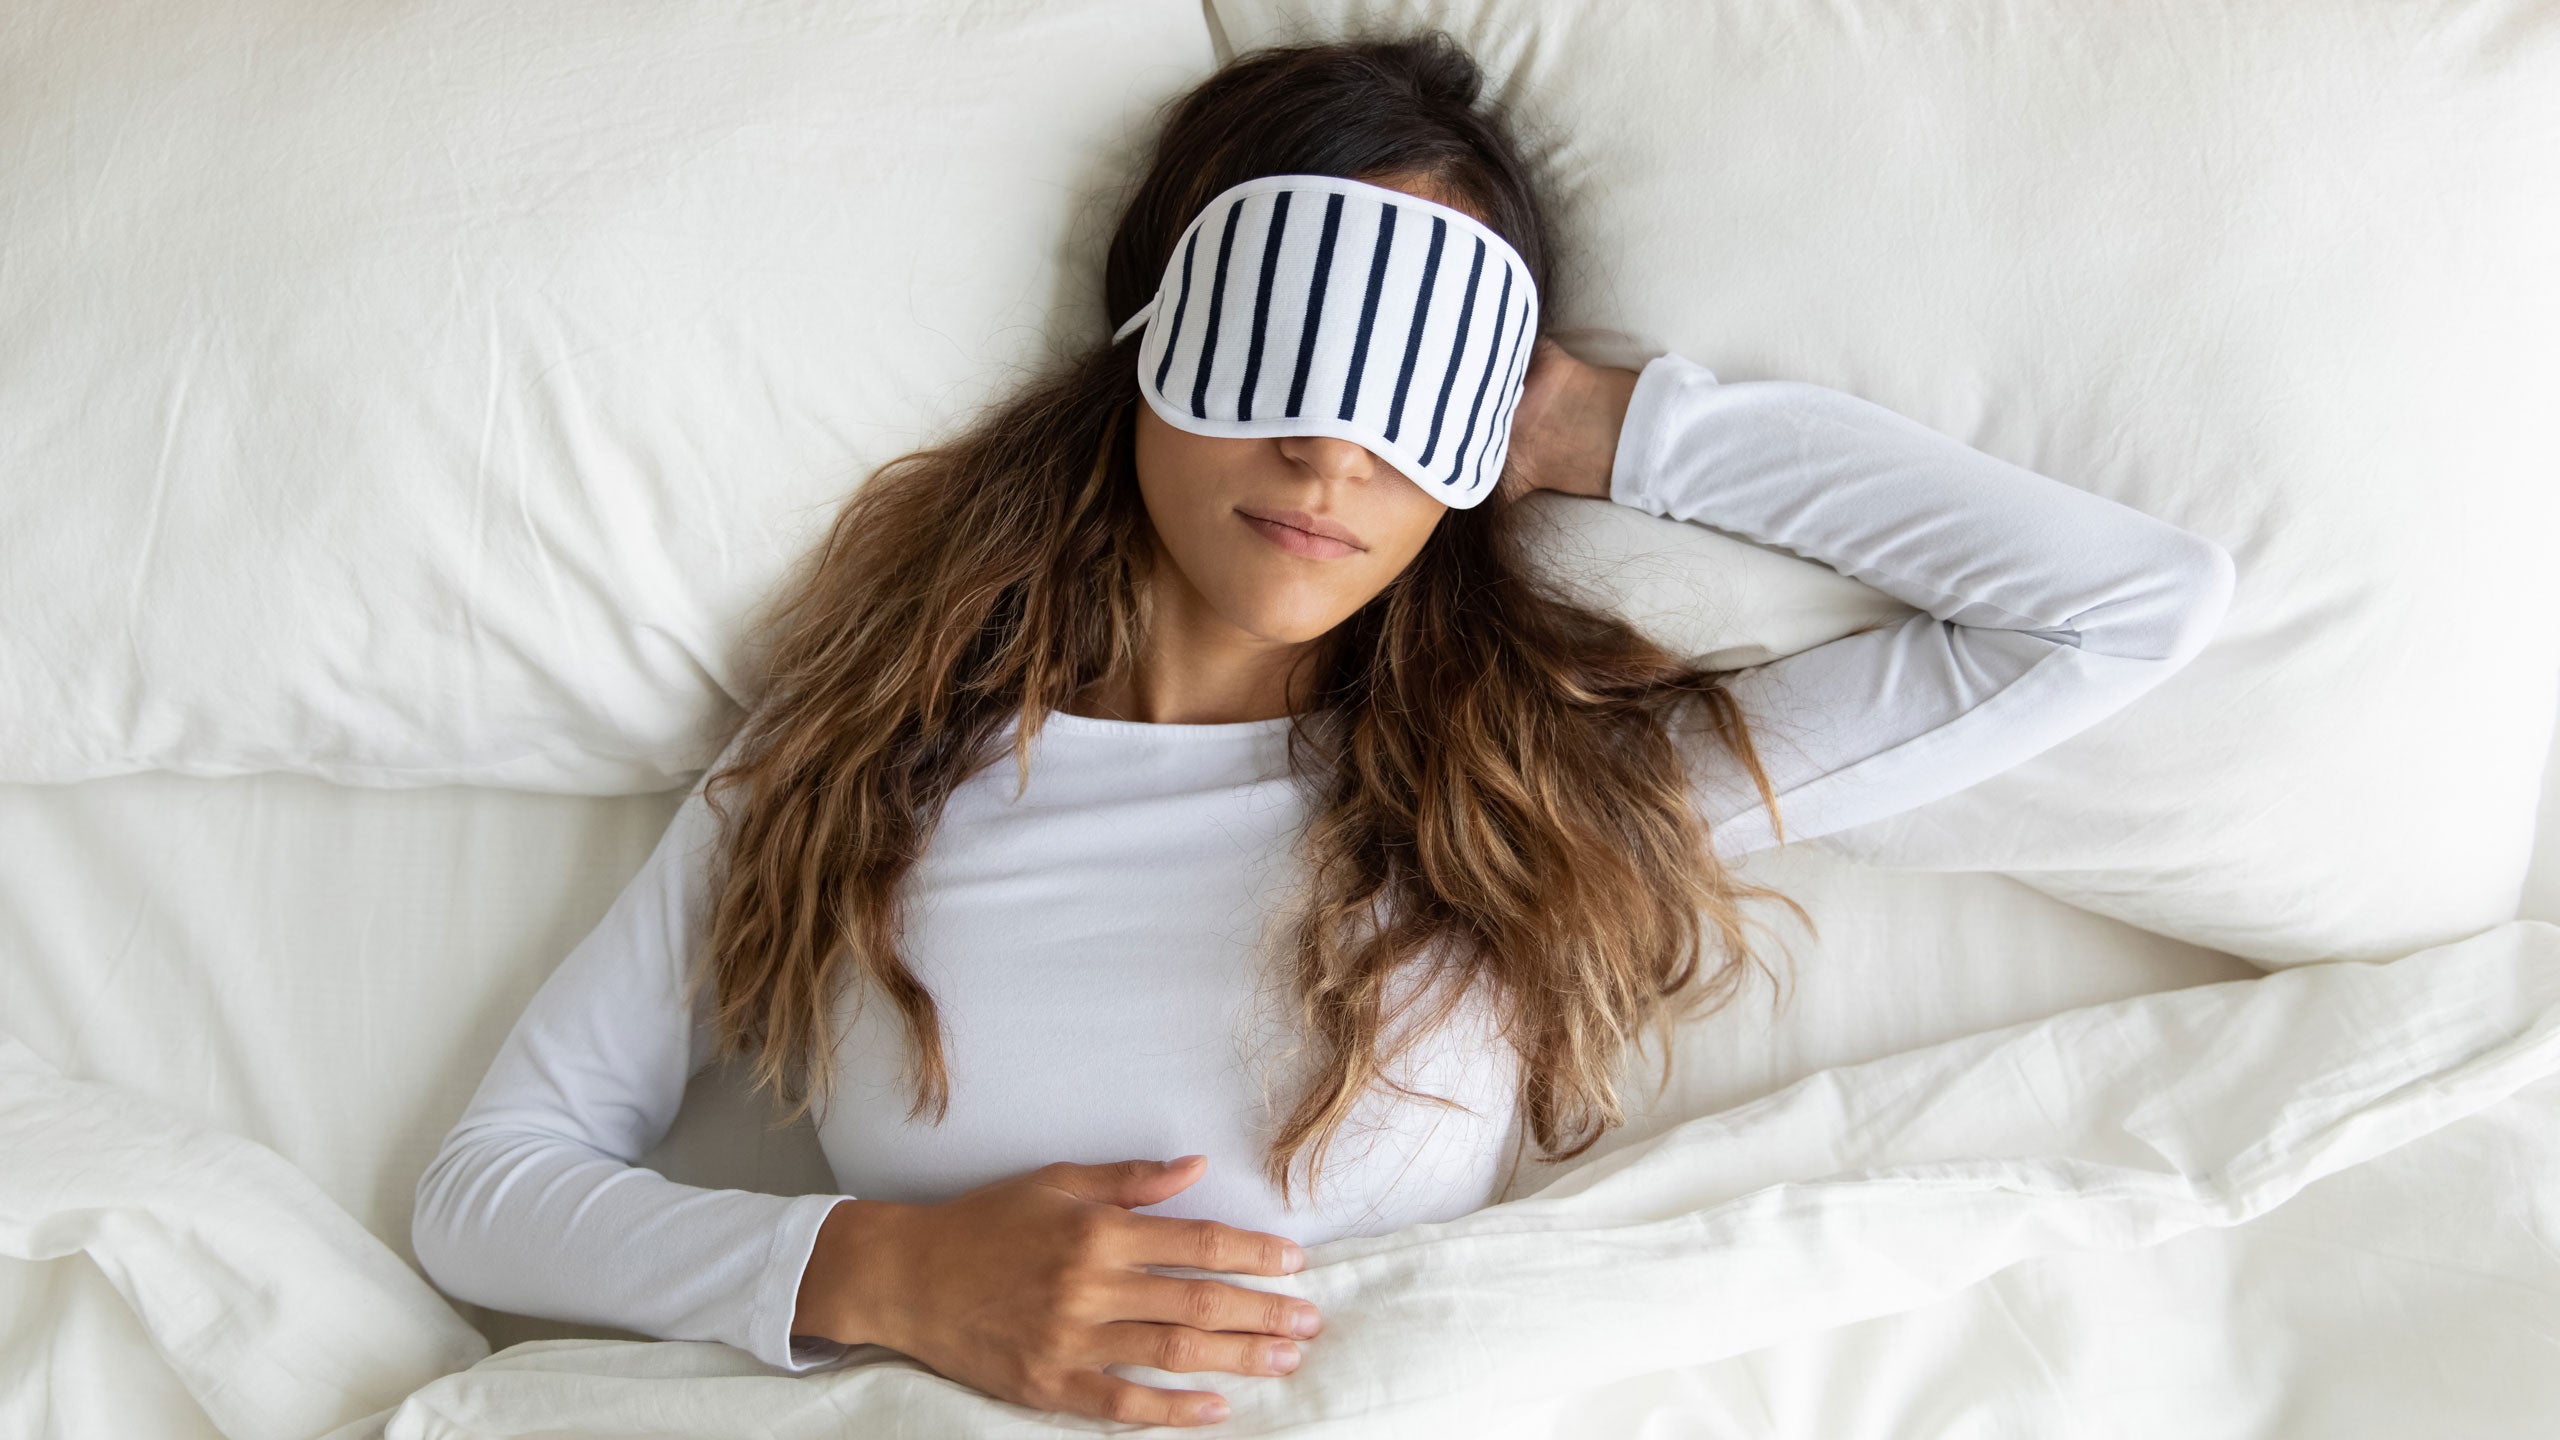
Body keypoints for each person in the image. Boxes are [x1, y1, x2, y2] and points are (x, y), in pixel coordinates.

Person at [411, 30, 2236, 1431]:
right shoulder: (856, 773)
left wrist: (1603, 430)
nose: (1330, 453)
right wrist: (873, 1268)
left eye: (1406, 382)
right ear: (1149, 334)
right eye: (1283, 345)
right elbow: (489, 1192)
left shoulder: (1541, 802)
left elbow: (2119, 607)